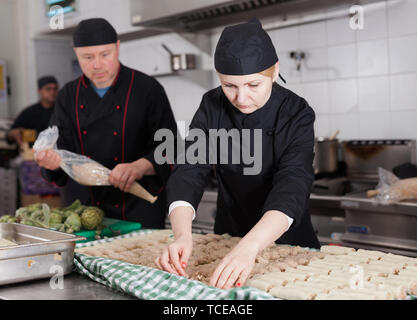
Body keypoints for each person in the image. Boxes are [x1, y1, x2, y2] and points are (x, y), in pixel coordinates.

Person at [155, 18, 320, 288]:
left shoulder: (296, 112)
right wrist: (182, 235)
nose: (241, 98)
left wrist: (250, 247)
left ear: (274, 71)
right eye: (229, 86)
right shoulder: (212, 105)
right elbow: (190, 170)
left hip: (288, 243)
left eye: (253, 86)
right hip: (228, 236)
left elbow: (293, 184)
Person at [34, 18, 177, 228]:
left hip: (138, 208)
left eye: (105, 54)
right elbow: (60, 151)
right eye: (87, 57)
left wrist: (138, 167)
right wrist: (50, 160)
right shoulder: (67, 95)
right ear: (76, 54)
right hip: (83, 212)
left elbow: (169, 148)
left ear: (118, 48)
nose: (97, 64)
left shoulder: (147, 89)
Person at [7, 76, 58, 145]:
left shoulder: (62, 111)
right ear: (39, 91)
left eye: (55, 89)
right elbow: (11, 134)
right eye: (48, 89)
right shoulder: (29, 112)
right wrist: (14, 134)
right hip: (33, 152)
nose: (52, 92)